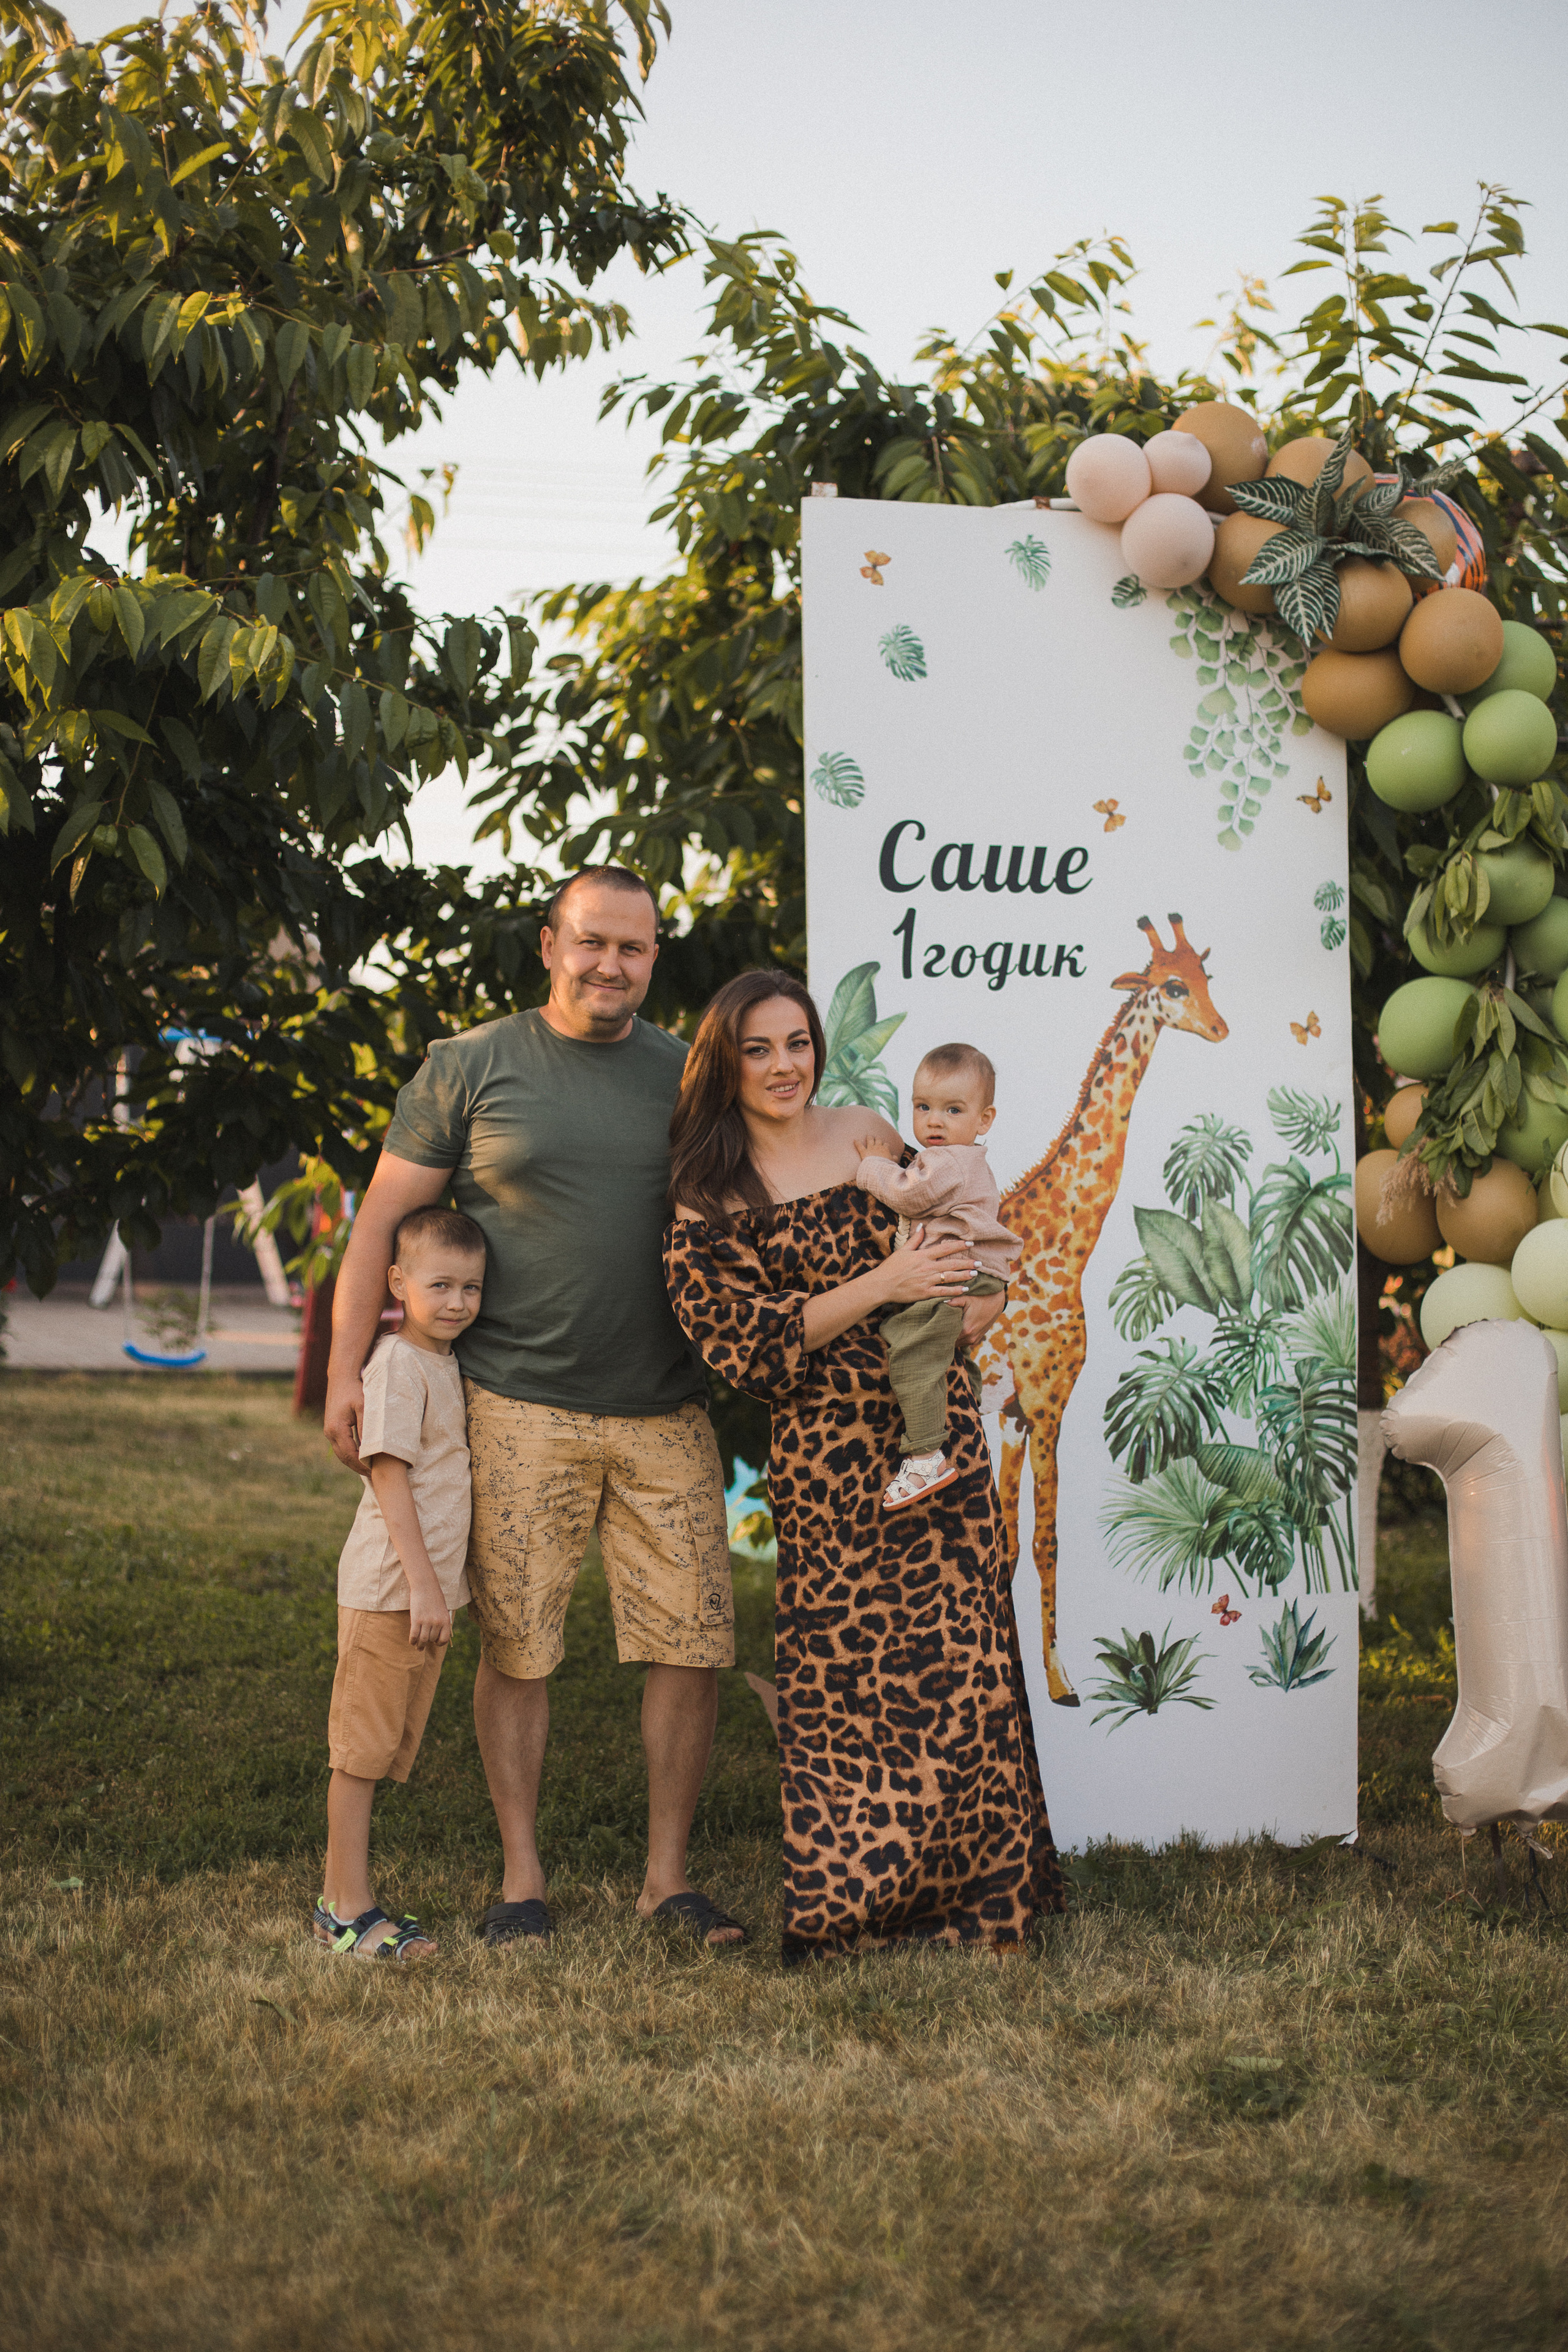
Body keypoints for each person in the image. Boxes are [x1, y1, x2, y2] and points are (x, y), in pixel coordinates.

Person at [323, 868, 746, 1951]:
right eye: (592, 942)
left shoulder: (691, 1078)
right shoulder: (469, 1066)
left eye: (635, 949)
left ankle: (668, 1879)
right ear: (550, 945)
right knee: (517, 1648)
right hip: (512, 1407)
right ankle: (522, 1878)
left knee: (691, 1644)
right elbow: (379, 1223)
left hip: (666, 1407)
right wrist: (342, 1369)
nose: (612, 964)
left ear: (656, 958)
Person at [664, 971, 1063, 1964]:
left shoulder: (874, 1133)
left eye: (797, 1042)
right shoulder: (704, 1195)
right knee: (849, 1688)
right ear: (724, 1061)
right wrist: (881, 1283)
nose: (785, 1064)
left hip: (936, 1434)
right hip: (827, 1455)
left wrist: (980, 1308)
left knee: (962, 1664)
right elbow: (745, 1346)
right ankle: (858, 1907)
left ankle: (984, 1905)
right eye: (758, 1048)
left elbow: (959, 1240)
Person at [317, 1205, 486, 1959]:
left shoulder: (444, 1362)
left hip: (421, 1594)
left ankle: (349, 1901)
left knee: (383, 1749)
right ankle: (343, 1909)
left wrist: (449, 1588)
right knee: (358, 1752)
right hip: (389, 1588)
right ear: (398, 1283)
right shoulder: (396, 1364)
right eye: (441, 1285)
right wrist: (423, 1584)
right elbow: (389, 1474)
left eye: (471, 1289)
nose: (456, 1302)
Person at [854, 1042, 1020, 1512]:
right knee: (936, 1346)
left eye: (952, 1110)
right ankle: (966, 1388)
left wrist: (873, 1168)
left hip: (961, 1274)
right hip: (972, 1272)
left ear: (984, 1120)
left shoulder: (948, 1163)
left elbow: (908, 1194)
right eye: (923, 1107)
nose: (934, 1121)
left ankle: (926, 1455)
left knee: (910, 1349)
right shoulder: (961, 1159)